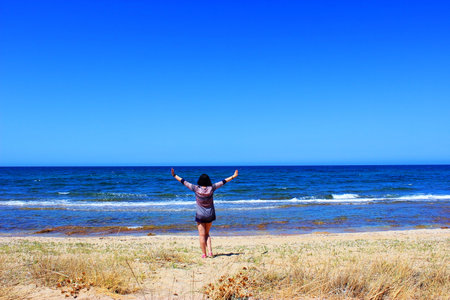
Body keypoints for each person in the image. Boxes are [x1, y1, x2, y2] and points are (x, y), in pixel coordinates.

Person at [171, 168, 238, 258]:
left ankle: (204, 254)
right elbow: (223, 181)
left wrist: (174, 175)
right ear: (208, 181)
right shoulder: (212, 188)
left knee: (202, 235)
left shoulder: (196, 188)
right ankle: (210, 252)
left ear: (200, 181)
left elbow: (183, 181)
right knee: (207, 234)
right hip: (210, 215)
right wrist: (233, 176)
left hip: (200, 215)